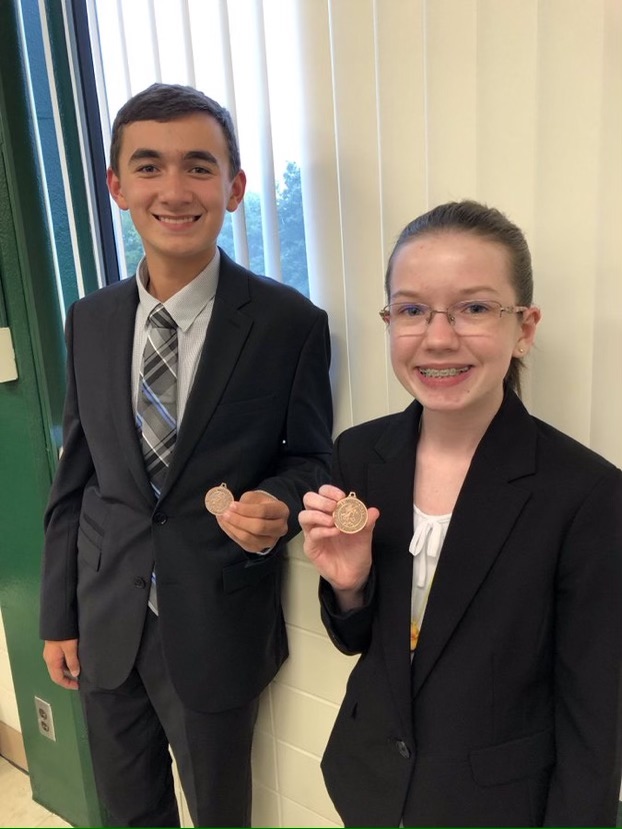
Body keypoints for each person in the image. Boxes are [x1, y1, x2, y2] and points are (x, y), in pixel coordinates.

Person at [39, 82, 333, 828]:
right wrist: (56, 615)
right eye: (149, 166)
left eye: (200, 167)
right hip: (105, 618)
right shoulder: (90, 319)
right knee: (127, 809)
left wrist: (283, 503)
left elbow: (313, 461)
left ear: (234, 188)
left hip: (215, 623)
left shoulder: (287, 323)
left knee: (218, 811)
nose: (175, 189)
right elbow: (76, 477)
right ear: (116, 187)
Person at [300, 200, 622, 827]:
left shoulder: (585, 494)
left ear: (524, 327)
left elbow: (595, 715)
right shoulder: (361, 454)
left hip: (498, 806)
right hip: (370, 785)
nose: (438, 337)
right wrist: (350, 588)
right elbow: (357, 643)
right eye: (412, 309)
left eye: (474, 308)